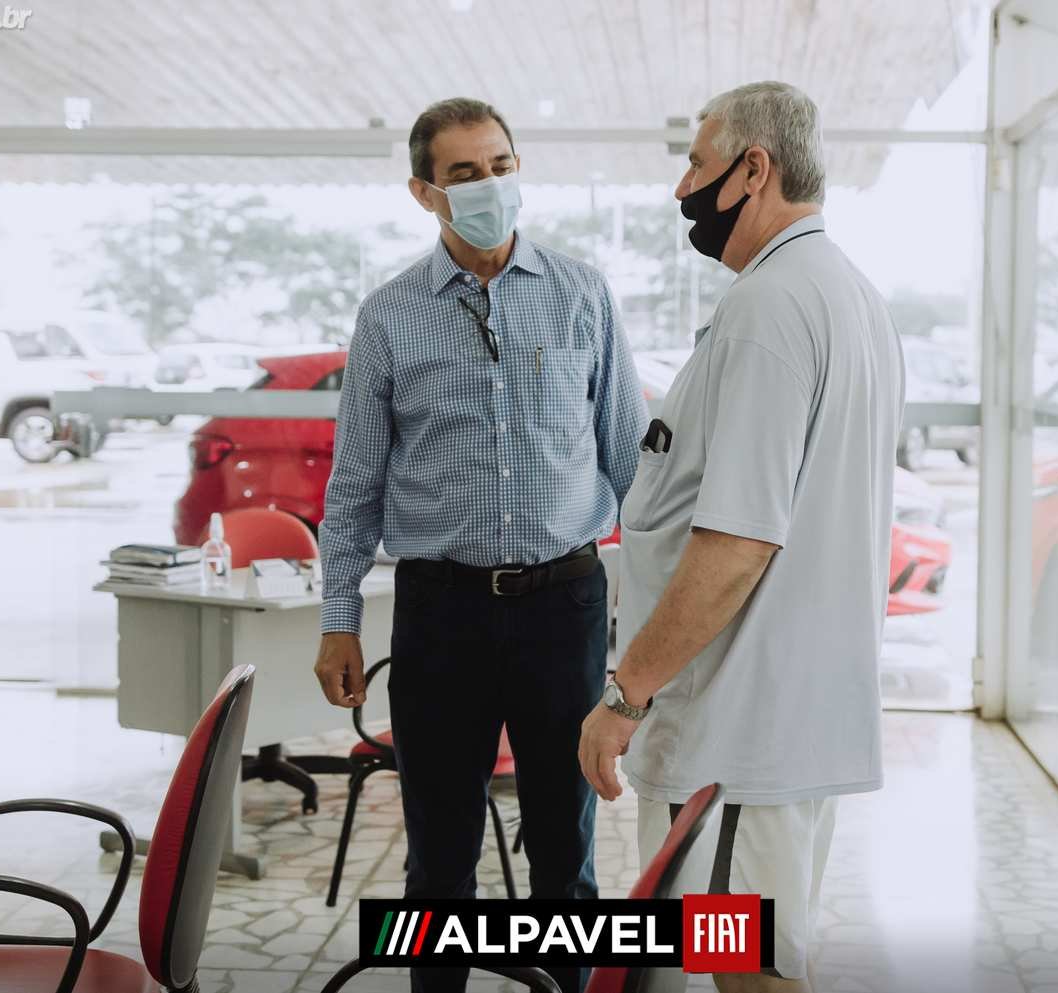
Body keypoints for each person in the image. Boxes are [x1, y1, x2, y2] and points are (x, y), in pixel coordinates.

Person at [577, 81, 905, 993]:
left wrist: (626, 694)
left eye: (696, 163)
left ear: (753, 168)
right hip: (787, 716)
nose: (683, 186)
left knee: (745, 969)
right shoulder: (848, 294)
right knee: (757, 958)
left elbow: (738, 544)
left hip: (738, 728)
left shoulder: (770, 308)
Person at [315, 97, 647, 993]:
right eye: (464, 173)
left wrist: (656, 628)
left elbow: (631, 463)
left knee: (565, 853)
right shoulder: (390, 315)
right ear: (424, 192)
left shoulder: (581, 293)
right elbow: (354, 485)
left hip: (564, 604)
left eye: (500, 165)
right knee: (439, 858)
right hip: (441, 611)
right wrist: (339, 620)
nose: (489, 185)